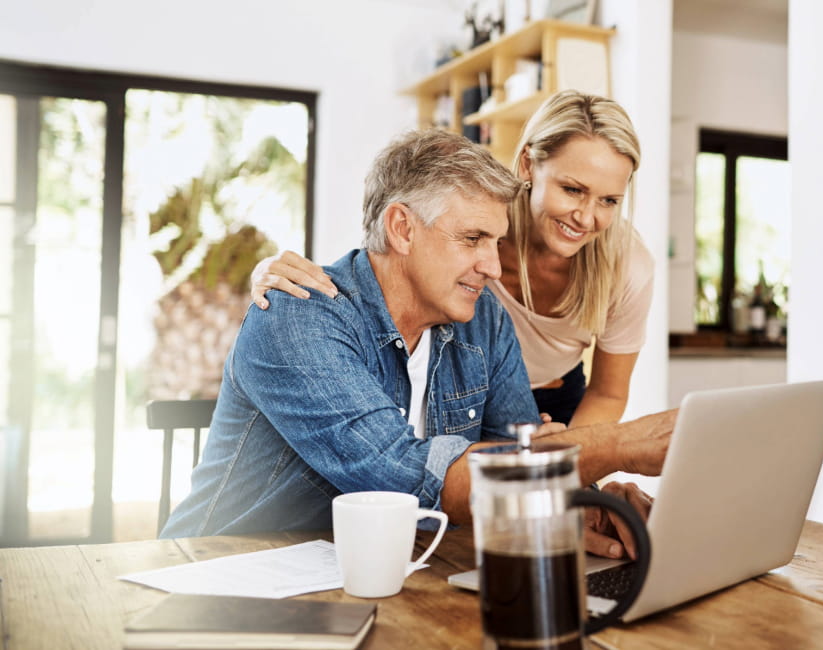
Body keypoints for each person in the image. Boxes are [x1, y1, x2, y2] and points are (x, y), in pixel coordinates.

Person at [161, 130, 674, 561]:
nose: (494, 267)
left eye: (496, 242)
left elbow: (518, 454)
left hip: (380, 575)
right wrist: (618, 446)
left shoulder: (485, 322)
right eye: (472, 239)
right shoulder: (298, 317)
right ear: (402, 228)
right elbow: (406, 479)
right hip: (221, 576)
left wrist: (585, 500)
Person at [250, 90, 653, 428]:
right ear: (529, 164)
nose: (586, 217)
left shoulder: (627, 267)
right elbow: (386, 260)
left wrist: (573, 461)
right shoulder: (481, 211)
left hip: (555, 398)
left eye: (609, 201)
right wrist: (274, 277)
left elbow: (609, 391)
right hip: (458, 380)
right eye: (572, 189)